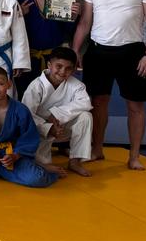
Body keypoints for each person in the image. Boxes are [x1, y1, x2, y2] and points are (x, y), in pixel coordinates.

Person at [71, 0, 146, 171]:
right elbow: (85, 22)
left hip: (132, 52)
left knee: (135, 105)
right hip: (98, 51)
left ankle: (134, 156)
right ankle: (97, 149)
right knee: (97, 102)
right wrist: (75, 50)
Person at [11, 0, 78, 96]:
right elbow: (7, 30)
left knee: (54, 98)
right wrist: (18, 15)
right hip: (26, 58)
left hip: (54, 58)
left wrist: (72, 17)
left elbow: (67, 32)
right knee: (26, 97)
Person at [21, 47, 93, 178]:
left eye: (68, 68)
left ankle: (75, 161)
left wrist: (56, 114)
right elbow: (26, 115)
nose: (63, 72)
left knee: (85, 116)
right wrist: (48, 128)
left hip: (61, 128)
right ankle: (42, 164)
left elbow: (85, 103)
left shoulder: (76, 85)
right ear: (49, 65)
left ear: (74, 69)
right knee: (41, 168)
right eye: (58, 66)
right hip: (39, 130)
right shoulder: (36, 86)